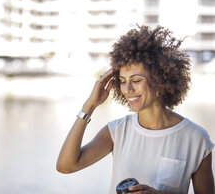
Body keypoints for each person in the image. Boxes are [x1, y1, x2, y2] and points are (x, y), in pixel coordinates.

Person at [56, 25, 215, 194]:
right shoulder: (117, 131)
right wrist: (90, 105)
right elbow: (66, 166)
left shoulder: (196, 139)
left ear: (160, 81)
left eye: (136, 80)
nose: (127, 89)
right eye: (123, 81)